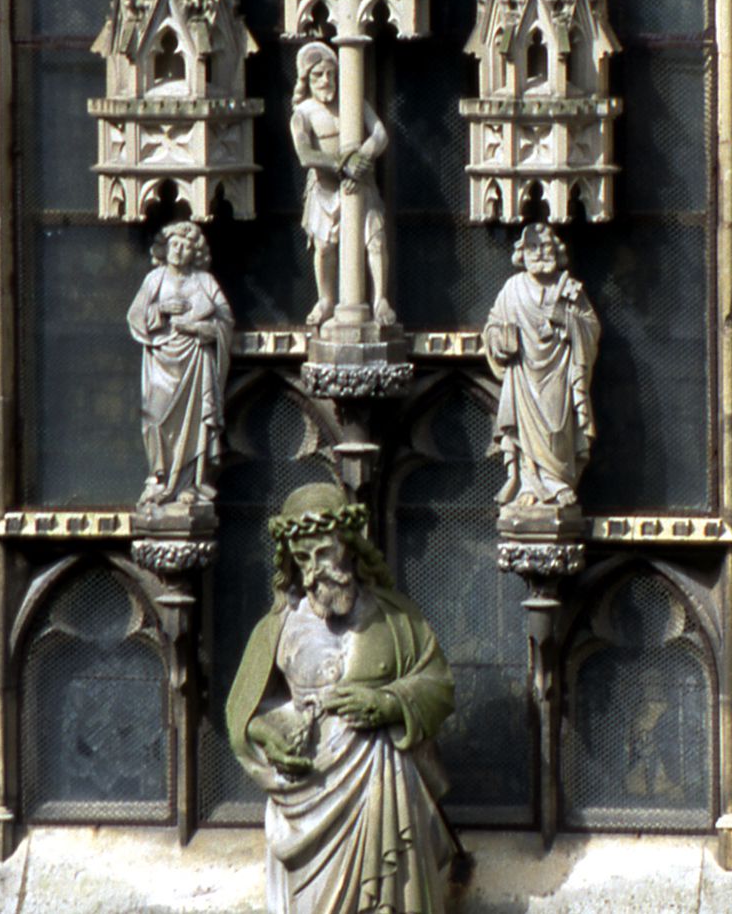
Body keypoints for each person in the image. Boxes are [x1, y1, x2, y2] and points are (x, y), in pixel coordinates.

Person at [227, 484, 454, 914]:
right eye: (301, 558)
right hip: (306, 796)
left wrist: (389, 704)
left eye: (323, 553)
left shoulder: (396, 618)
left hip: (381, 785)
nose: (314, 571)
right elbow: (244, 714)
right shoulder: (276, 628)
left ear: (349, 547)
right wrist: (269, 737)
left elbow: (438, 684)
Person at [483, 223, 601, 508]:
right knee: (525, 430)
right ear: (522, 254)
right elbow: (492, 326)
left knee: (557, 427)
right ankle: (530, 483)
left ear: (557, 252)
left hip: (558, 371)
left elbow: (591, 327)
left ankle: (558, 480)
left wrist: (567, 320)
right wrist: (500, 339)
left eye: (546, 247)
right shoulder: (512, 289)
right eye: (532, 247)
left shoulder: (569, 288)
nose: (539, 253)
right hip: (523, 372)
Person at [127, 220, 233, 506]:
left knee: (195, 422)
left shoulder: (205, 282)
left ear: (195, 253)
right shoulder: (154, 280)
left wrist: (203, 329)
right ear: (165, 248)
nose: (179, 250)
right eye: (174, 244)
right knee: (156, 420)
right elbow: (135, 317)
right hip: (161, 362)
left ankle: (189, 484)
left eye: (186, 247)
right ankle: (158, 478)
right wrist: (160, 310)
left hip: (195, 363)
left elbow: (224, 321)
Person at [290, 41, 396, 327]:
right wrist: (342, 164)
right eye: (318, 75)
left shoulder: (353, 103)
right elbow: (305, 154)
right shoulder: (304, 113)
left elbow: (380, 134)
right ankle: (326, 299)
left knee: (375, 239)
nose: (326, 81)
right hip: (324, 189)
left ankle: (379, 299)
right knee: (324, 247)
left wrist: (361, 158)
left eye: (330, 74)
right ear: (306, 80)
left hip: (361, 184)